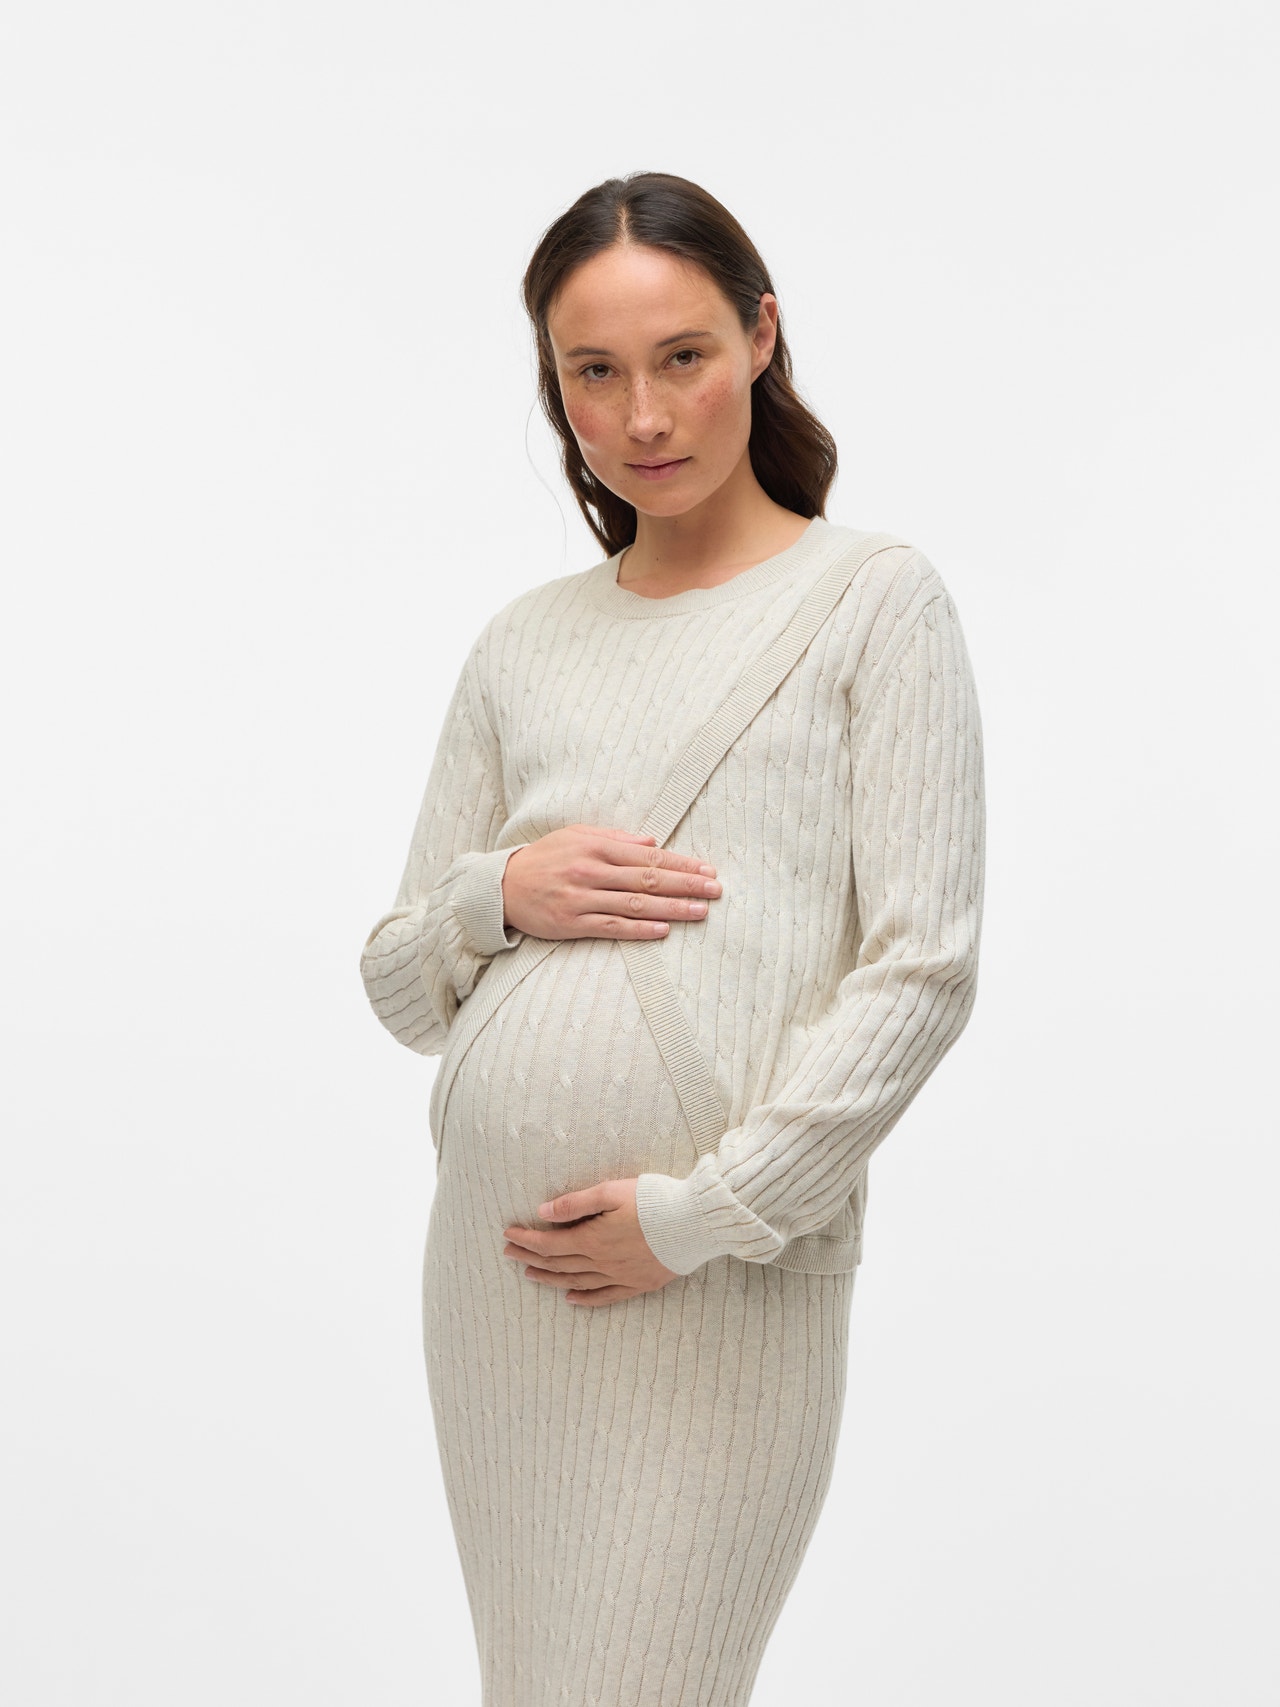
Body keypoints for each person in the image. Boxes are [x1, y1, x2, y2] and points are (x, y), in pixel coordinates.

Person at [359, 169, 986, 1707]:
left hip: (717, 1281)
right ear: (554, 384)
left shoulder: (873, 602)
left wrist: (701, 1217)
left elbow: (923, 971)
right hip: (502, 1290)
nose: (642, 415)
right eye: (594, 371)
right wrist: (498, 894)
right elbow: (399, 985)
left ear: (761, 337)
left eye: (683, 357)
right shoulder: (524, 642)